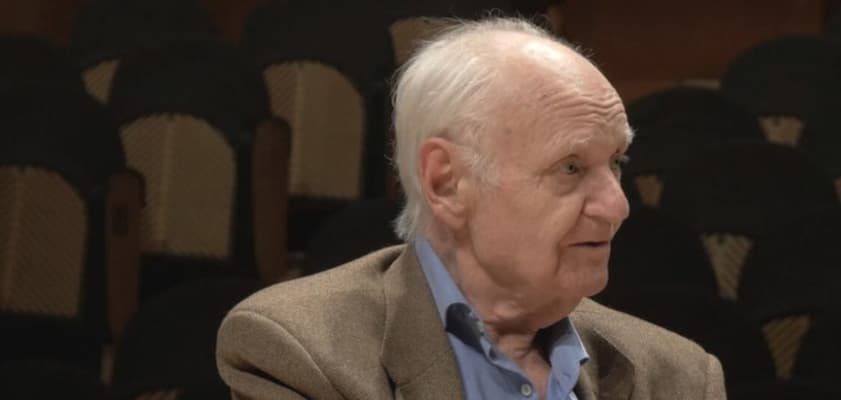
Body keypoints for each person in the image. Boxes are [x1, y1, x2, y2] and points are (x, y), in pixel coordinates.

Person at [216, 17, 726, 400]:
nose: (617, 205)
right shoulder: (301, 349)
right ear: (447, 182)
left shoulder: (678, 377)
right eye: (570, 167)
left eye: (615, 162)